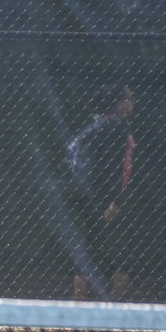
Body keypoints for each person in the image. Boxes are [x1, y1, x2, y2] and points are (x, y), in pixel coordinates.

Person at [63, 84, 136, 300]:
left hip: (88, 196)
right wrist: (113, 201)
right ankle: (114, 306)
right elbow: (111, 167)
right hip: (103, 199)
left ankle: (81, 304)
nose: (133, 103)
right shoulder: (116, 127)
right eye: (130, 99)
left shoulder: (100, 124)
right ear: (119, 103)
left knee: (92, 248)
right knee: (124, 254)